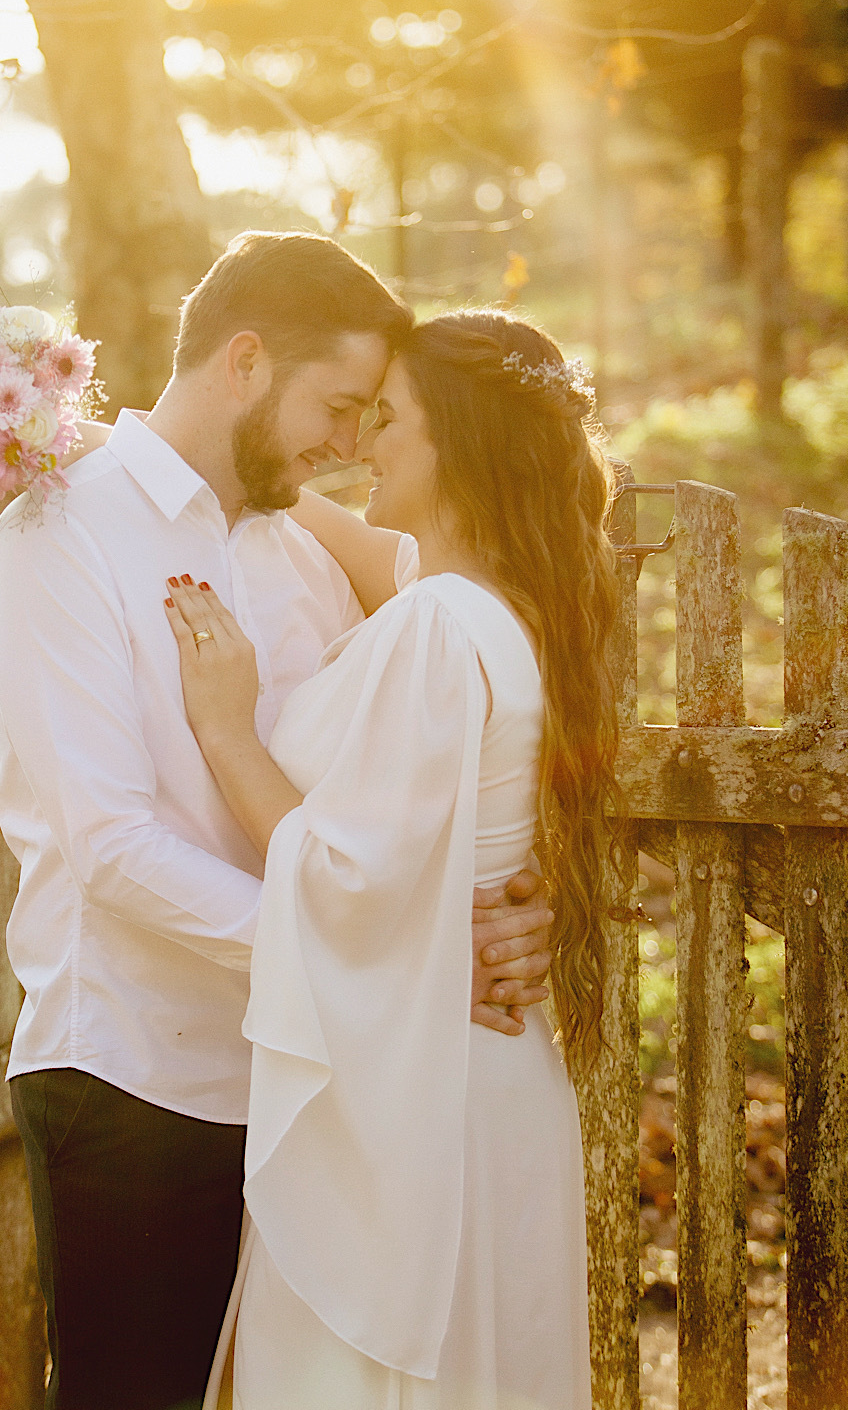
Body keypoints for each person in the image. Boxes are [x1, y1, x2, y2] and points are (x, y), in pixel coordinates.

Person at [0, 235, 555, 1410]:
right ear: (245, 360)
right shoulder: (60, 536)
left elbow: (448, 741)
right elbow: (113, 850)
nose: (349, 443)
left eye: (370, 416)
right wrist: (398, 968)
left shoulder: (300, 550)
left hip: (315, 1081)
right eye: (338, 405)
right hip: (143, 1075)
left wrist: (517, 908)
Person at [158, 309, 621, 1410]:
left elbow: (345, 877)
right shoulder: (499, 607)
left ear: (454, 443)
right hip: (490, 1075)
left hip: (426, 1087)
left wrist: (226, 726)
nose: (366, 440)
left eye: (391, 419)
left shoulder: (437, 627)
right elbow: (346, 530)